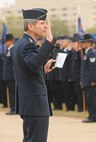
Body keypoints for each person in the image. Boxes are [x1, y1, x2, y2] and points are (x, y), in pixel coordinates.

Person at [12, 8, 56, 142]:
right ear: (30, 26)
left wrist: (43, 69)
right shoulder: (27, 45)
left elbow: (30, 68)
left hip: (29, 103)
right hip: (34, 103)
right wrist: (49, 42)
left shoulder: (21, 43)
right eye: (42, 23)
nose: (46, 26)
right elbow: (32, 64)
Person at [80, 34, 96, 123]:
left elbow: (92, 68)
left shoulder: (91, 53)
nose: (82, 44)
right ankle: (91, 115)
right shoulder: (87, 53)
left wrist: (92, 80)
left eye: (84, 42)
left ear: (89, 43)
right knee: (89, 99)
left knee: (92, 99)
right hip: (86, 80)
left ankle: (93, 116)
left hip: (91, 81)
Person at [2, 33, 16, 115]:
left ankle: (14, 108)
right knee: (11, 92)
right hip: (8, 75)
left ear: (10, 41)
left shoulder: (13, 49)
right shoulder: (8, 50)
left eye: (6, 41)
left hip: (12, 75)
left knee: (13, 92)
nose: (5, 43)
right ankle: (12, 107)